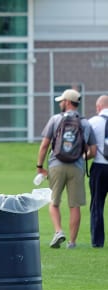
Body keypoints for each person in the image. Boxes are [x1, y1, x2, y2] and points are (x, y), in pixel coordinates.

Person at [36, 89, 96, 249]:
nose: (60, 103)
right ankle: (72, 242)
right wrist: (81, 158)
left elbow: (44, 145)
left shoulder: (55, 119)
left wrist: (40, 166)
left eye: (62, 101)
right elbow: (93, 151)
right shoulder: (85, 123)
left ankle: (58, 231)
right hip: (76, 167)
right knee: (74, 205)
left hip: (56, 165)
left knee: (54, 202)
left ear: (67, 102)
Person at [88, 95, 108, 248]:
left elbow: (87, 146)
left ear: (99, 107)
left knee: (97, 204)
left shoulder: (93, 122)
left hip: (100, 168)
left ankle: (97, 241)